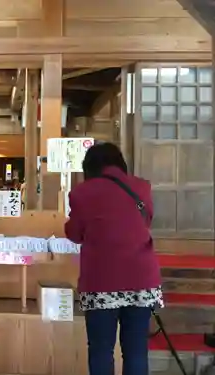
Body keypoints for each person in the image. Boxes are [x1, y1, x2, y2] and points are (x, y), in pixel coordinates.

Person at [64, 142, 162, 375]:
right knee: (136, 350)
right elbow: (144, 222)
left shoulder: (82, 193)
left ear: (89, 167)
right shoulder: (142, 187)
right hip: (142, 280)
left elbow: (74, 234)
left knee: (101, 350)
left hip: (101, 283)